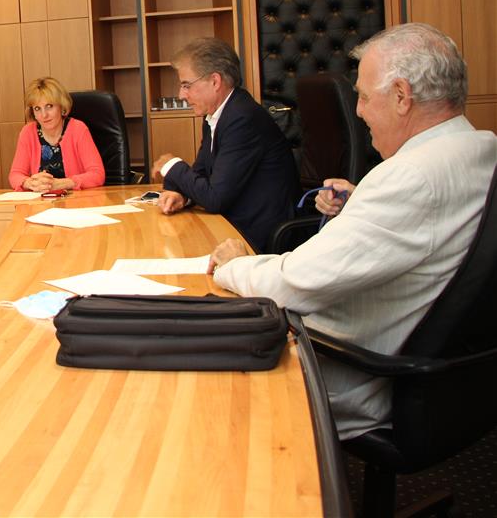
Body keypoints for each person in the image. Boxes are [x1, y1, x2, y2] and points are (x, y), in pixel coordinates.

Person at [208, 23, 497, 440]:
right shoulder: (479, 148)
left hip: (355, 373)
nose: (358, 111)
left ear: (401, 96)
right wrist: (362, 203)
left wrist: (235, 264)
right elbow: (435, 222)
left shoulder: (409, 178)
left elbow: (292, 284)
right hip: (451, 378)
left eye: (363, 96)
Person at [150, 38, 298, 252]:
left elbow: (215, 198)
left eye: (186, 85)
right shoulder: (216, 115)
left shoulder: (242, 118)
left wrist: (170, 165)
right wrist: (183, 196)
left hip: (258, 236)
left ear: (215, 81)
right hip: (234, 223)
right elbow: (201, 172)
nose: (181, 95)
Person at [8, 77, 104, 192]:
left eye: (49, 106)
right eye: (37, 109)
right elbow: (15, 175)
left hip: (76, 200)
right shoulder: (28, 132)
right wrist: (30, 183)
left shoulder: (78, 129)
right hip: (41, 201)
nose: (44, 115)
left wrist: (64, 183)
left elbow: (97, 174)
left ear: (61, 107)